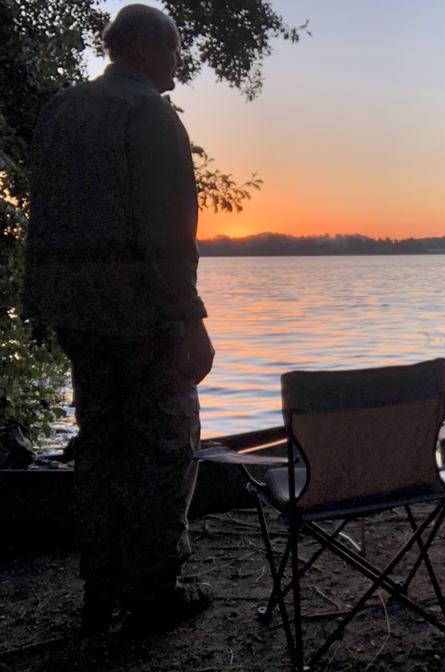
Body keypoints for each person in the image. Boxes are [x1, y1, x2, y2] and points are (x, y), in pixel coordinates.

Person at [24, 4, 214, 631]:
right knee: (165, 446)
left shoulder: (60, 112)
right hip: (143, 317)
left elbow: (42, 215)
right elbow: (169, 230)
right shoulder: (150, 116)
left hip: (79, 314)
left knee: (101, 447)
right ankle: (155, 591)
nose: (180, 63)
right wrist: (189, 318)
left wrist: (38, 300)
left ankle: (101, 587)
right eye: (175, 49)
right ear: (146, 47)